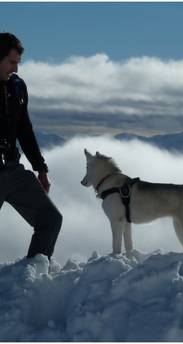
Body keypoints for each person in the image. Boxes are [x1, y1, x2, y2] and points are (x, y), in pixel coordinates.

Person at [0, 32, 62, 260]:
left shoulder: (17, 87)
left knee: (51, 220)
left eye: (18, 63)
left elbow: (24, 130)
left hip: (12, 170)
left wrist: (41, 168)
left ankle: (29, 278)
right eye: (12, 62)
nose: (16, 69)